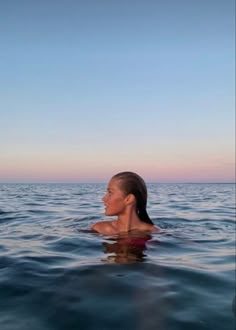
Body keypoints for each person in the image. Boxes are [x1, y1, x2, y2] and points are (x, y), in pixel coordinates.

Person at [91, 171, 160, 235]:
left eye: (110, 193)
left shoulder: (153, 232)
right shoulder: (99, 229)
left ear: (129, 199)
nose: (103, 198)